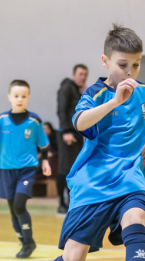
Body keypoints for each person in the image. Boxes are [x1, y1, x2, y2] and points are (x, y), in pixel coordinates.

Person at [13, 24, 145, 261]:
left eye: (136, 64)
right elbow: (79, 122)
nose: (130, 71)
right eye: (122, 64)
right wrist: (114, 102)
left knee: (136, 219)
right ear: (105, 61)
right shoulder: (94, 94)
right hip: (93, 185)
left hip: (130, 178)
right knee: (74, 258)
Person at [0, 79, 51, 257]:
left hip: (27, 169)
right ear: (9, 97)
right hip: (7, 169)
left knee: (19, 204)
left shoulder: (34, 121)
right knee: (12, 209)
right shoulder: (2, 119)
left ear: (28, 97)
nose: (19, 99)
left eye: (23, 96)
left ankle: (29, 242)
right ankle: (24, 242)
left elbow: (44, 144)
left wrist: (45, 161)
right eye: (16, 96)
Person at [57, 64, 89, 214]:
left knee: (74, 169)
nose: (83, 77)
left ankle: (71, 202)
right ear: (74, 74)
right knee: (64, 169)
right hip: (67, 134)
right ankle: (61, 203)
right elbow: (62, 110)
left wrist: (85, 94)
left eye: (85, 74)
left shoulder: (78, 90)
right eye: (80, 74)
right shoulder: (66, 88)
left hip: (77, 134)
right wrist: (65, 131)